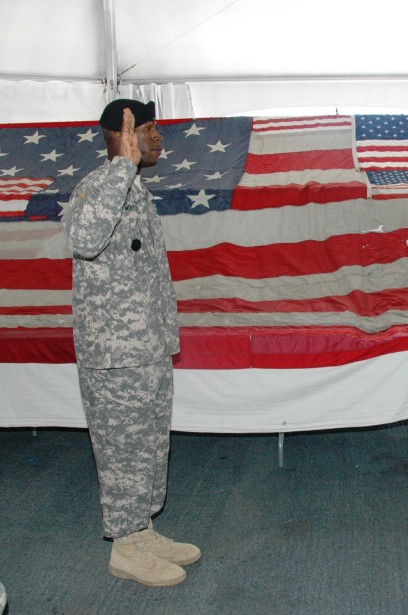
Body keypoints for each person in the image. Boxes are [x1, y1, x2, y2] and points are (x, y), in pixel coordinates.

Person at [63, 99, 200, 587]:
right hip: (115, 353)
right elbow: (84, 238)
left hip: (146, 346)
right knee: (122, 446)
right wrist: (121, 166)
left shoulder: (135, 191)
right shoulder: (99, 186)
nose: (159, 137)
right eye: (147, 129)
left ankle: (141, 528)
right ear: (118, 137)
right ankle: (124, 545)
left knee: (148, 444)